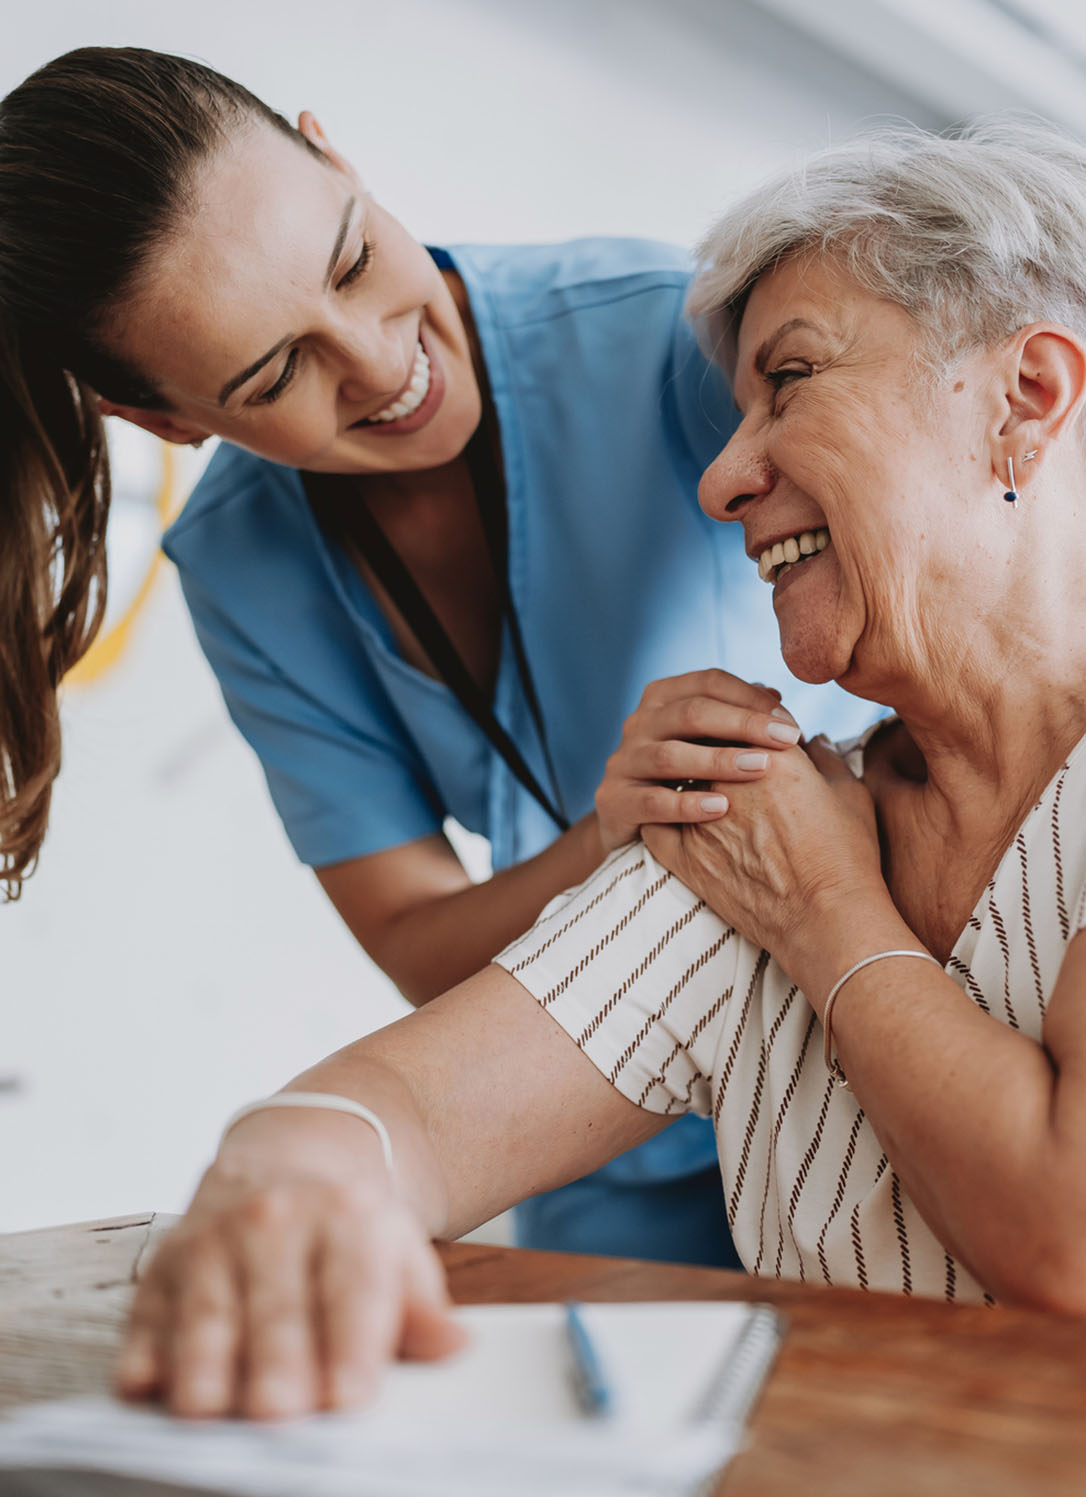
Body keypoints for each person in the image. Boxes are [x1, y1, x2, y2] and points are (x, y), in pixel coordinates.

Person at [117, 115, 1086, 1420]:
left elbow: (1064, 1233)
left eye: (789, 380)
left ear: (1026, 397)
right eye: (275, 368)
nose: (718, 476)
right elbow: (403, 1107)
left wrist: (826, 913)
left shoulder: (794, 861)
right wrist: (283, 1169)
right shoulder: (764, 825)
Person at [0, 47, 866, 1265]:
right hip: (593, 1142)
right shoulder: (245, 563)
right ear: (166, 422)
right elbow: (418, 940)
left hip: (851, 1071)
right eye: (275, 373)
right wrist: (604, 838)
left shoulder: (670, 337)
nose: (380, 364)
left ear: (333, 154)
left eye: (352, 259)